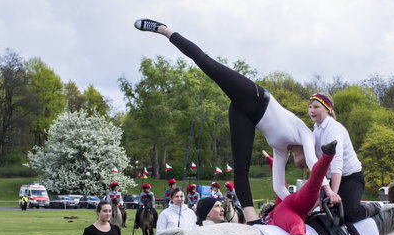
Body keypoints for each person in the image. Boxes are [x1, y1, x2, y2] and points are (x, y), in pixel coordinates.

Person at [134, 18, 319, 221]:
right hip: (255, 98)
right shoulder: (305, 134)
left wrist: (297, 203)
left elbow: (279, 186)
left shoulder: (281, 149)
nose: (302, 166)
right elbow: (314, 161)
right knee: (205, 62)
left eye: (302, 167)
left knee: (241, 167)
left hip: (245, 115)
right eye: (303, 166)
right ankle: (164, 30)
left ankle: (251, 218)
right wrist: (325, 191)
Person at [308, 92, 377, 222]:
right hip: (333, 179)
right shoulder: (315, 131)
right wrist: (320, 194)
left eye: (316, 107)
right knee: (320, 212)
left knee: (349, 214)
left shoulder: (334, 129)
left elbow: (336, 163)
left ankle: (373, 207)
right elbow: (318, 166)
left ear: (328, 109)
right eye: (310, 107)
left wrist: (332, 194)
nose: (312, 110)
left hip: (351, 177)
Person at [263, 140, 337, 235]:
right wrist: (270, 160)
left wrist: (270, 160)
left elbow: (279, 181)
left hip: (290, 206)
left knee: (297, 222)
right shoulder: (275, 211)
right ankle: (328, 155)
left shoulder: (275, 213)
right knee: (312, 187)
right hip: (298, 205)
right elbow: (281, 182)